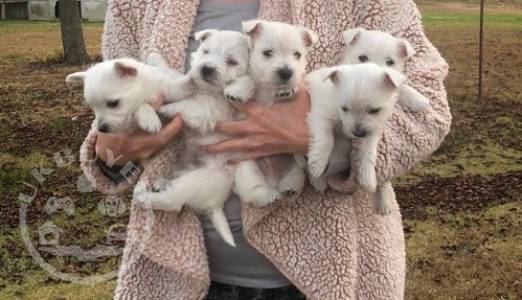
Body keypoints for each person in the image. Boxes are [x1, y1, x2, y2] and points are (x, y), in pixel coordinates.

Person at [79, 0, 451, 299]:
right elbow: (113, 100)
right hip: (178, 276)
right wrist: (113, 155)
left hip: (329, 272)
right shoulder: (134, 4)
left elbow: (428, 112)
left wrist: (316, 136)